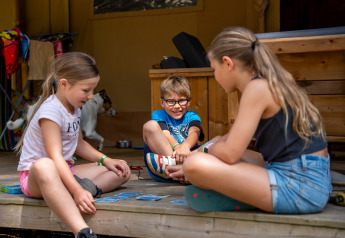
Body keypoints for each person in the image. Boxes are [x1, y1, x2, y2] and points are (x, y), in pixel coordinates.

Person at [165, 26, 332, 214]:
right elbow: (228, 141)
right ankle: (247, 192)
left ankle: (244, 196)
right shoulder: (269, 82)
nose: (215, 77)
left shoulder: (257, 89)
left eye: (214, 69)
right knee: (217, 144)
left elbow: (229, 154)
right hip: (310, 180)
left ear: (228, 63)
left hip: (299, 189)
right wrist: (214, 147)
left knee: (195, 164)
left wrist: (204, 154)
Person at [16, 52, 131, 237]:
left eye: (93, 90)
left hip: (65, 171)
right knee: (45, 165)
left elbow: (79, 145)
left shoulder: (75, 107)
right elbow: (55, 157)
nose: (91, 96)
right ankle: (82, 231)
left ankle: (65, 193)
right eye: (86, 90)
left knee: (122, 171)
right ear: (64, 84)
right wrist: (77, 190)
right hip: (37, 177)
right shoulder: (51, 111)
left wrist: (106, 159)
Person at [143, 75, 204, 182]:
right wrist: (177, 147)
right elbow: (165, 133)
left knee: (217, 141)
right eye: (171, 101)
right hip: (165, 166)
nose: (177, 106)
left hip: (188, 157)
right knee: (150, 126)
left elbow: (195, 132)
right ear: (162, 102)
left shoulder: (192, 116)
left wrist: (185, 146)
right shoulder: (159, 115)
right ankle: (179, 168)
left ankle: (184, 170)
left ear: (188, 101)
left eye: (181, 101)